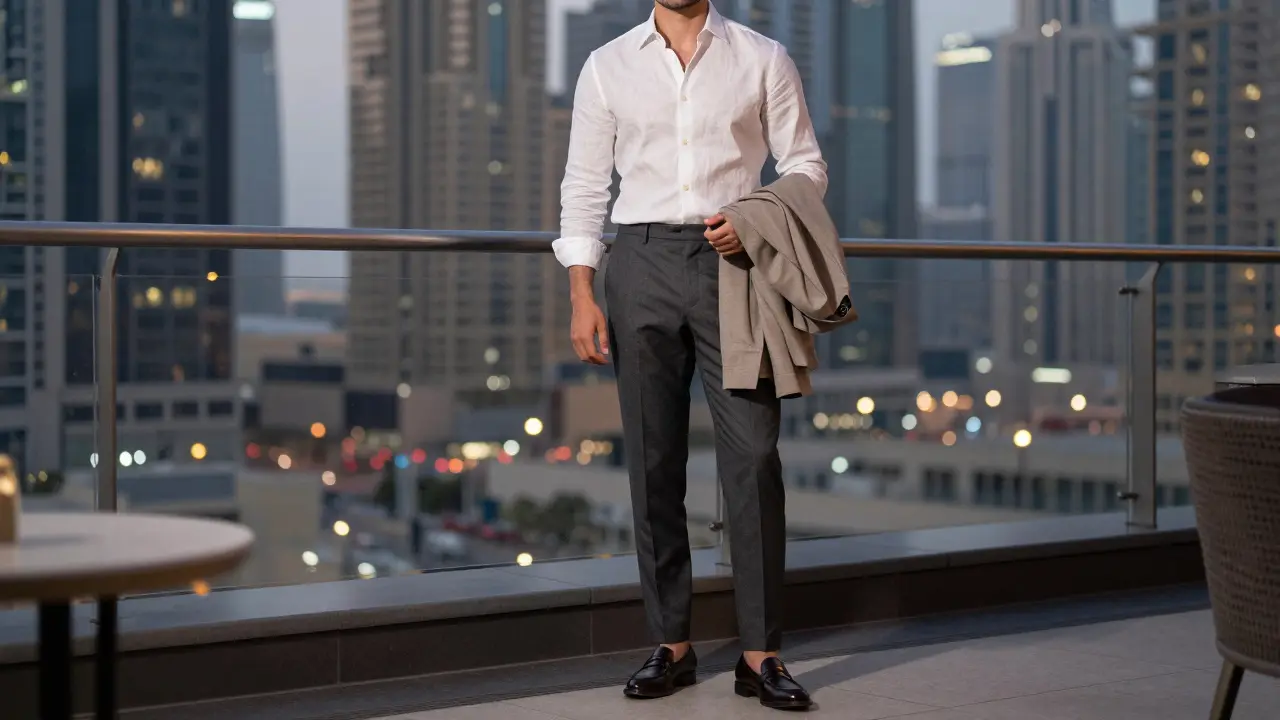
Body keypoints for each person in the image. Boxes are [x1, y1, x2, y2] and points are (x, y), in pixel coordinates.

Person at [554, 0, 826, 711]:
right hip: (638, 263)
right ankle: (670, 643)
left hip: (735, 268)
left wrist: (753, 218)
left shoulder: (762, 57)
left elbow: (806, 166)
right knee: (652, 458)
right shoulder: (607, 65)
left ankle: (761, 653)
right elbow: (585, 186)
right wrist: (583, 292)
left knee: (755, 453)